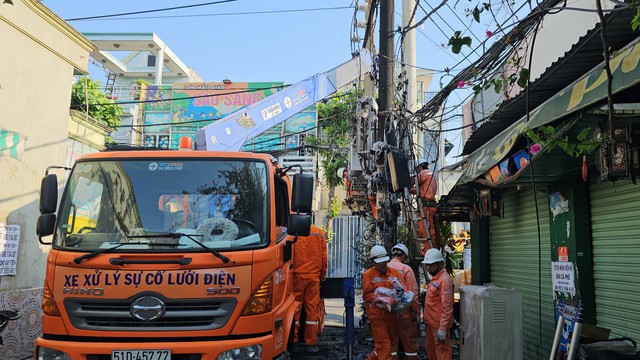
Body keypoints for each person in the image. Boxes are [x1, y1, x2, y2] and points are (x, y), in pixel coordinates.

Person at [362, 245, 403, 360]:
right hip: (377, 316)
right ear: (373, 262)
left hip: (392, 314)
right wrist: (381, 298)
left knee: (389, 344)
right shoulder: (368, 275)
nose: (382, 264)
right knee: (384, 345)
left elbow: (400, 290)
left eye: (384, 261)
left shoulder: (394, 272)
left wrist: (398, 296)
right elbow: (366, 295)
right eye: (379, 262)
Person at [292, 224, 327, 352]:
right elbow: (324, 255)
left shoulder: (293, 231)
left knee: (295, 309)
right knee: (312, 309)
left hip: (297, 276)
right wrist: (323, 274)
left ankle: (293, 341)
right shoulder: (319, 232)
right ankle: (310, 343)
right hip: (313, 276)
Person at [387, 243, 420, 360]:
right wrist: (417, 313)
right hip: (405, 315)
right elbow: (413, 294)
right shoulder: (406, 269)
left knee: (391, 349)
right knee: (410, 348)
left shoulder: (383, 268)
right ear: (404, 256)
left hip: (388, 314)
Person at [422, 248, 454, 360]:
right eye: (427, 265)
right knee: (431, 349)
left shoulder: (444, 280)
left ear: (438, 264)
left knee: (442, 352)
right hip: (431, 323)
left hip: (438, 324)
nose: (428, 268)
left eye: (431, 265)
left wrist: (443, 328)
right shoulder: (435, 279)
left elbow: (447, 306)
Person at [409, 159, 440, 251]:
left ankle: (429, 252)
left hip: (427, 207)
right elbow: (420, 191)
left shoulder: (425, 173)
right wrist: (408, 190)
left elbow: (413, 181)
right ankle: (430, 250)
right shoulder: (430, 176)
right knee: (427, 231)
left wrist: (404, 184)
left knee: (427, 232)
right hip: (429, 206)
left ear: (419, 167)